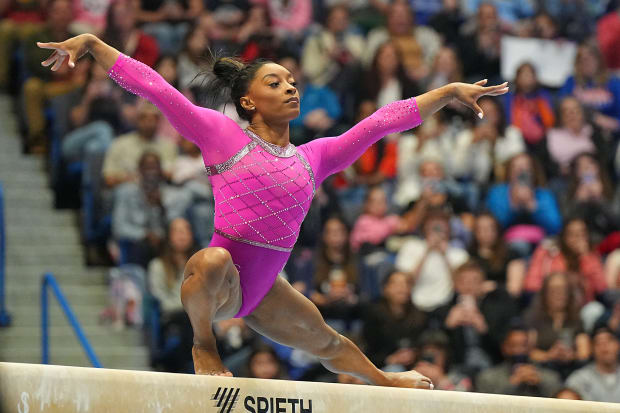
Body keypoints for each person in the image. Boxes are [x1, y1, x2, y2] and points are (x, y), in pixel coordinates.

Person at [37, 32, 508, 389]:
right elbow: (160, 91)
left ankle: (385, 381)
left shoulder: (314, 158)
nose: (290, 88)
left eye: (292, 82)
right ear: (247, 101)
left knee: (328, 343)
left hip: (263, 291)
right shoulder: (223, 136)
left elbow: (378, 124)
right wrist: (96, 46)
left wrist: (446, 93)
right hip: (217, 284)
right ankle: (204, 345)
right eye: (274, 82)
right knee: (212, 260)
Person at [475, 323, 563, 397]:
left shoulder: (550, 376)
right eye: (514, 345)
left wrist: (540, 383)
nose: (519, 350)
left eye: (524, 345)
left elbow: (560, 400)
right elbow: (484, 405)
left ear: (531, 347)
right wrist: (512, 384)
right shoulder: (487, 377)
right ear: (504, 347)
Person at [566, 326, 620, 403]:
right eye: (598, 343)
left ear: (617, 345)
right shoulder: (579, 379)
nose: (604, 346)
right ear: (592, 349)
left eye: (609, 340)